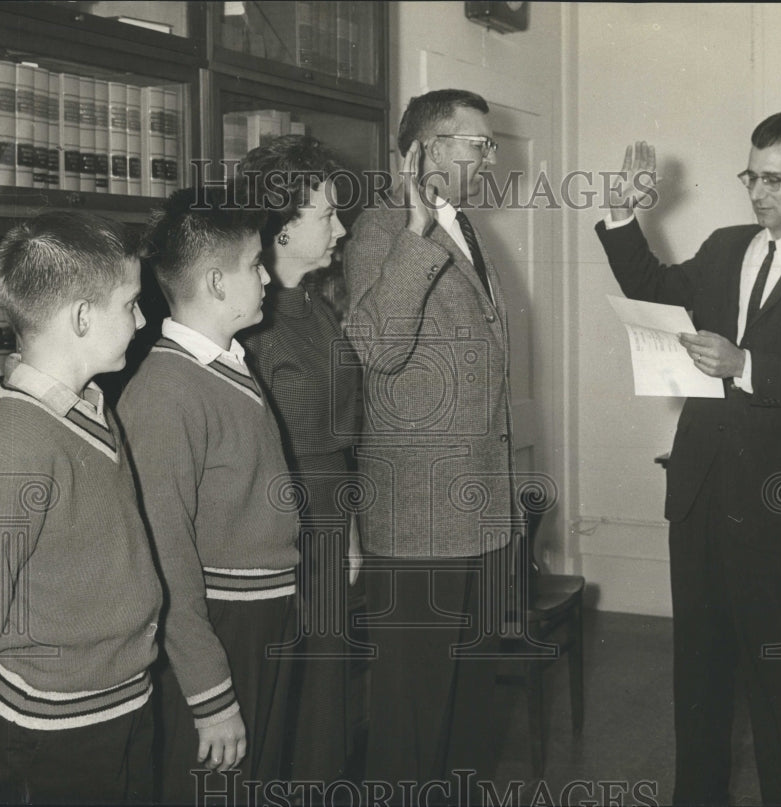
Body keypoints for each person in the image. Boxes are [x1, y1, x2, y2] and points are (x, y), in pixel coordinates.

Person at [596, 111, 781, 805]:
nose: (758, 191)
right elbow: (655, 286)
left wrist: (744, 361)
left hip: (779, 507)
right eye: (750, 175)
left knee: (780, 684)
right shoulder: (726, 246)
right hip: (698, 493)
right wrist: (623, 217)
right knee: (697, 675)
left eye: (774, 178)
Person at [0, 211, 162, 804]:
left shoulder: (88, 405)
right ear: (83, 317)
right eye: (131, 303)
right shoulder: (9, 449)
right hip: (55, 735)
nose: (141, 318)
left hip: (124, 703)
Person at [344, 89, 516, 800]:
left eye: (487, 145)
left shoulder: (464, 225)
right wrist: (415, 234)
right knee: (411, 723)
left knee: (470, 711)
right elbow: (377, 349)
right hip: (417, 524)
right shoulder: (384, 229)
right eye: (474, 144)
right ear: (423, 151)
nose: (486, 158)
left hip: (474, 510)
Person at [117, 184, 299, 803]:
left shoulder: (226, 361)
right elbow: (166, 565)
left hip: (258, 615)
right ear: (218, 283)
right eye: (255, 264)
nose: (267, 278)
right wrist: (209, 693)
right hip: (219, 630)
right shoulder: (166, 392)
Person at [237, 135, 362, 787]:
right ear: (281, 227)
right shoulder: (251, 322)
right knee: (284, 701)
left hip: (331, 521)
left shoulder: (317, 302)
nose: (341, 228)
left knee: (326, 697)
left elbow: (343, 430)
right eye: (327, 216)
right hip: (281, 536)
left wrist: (351, 529)